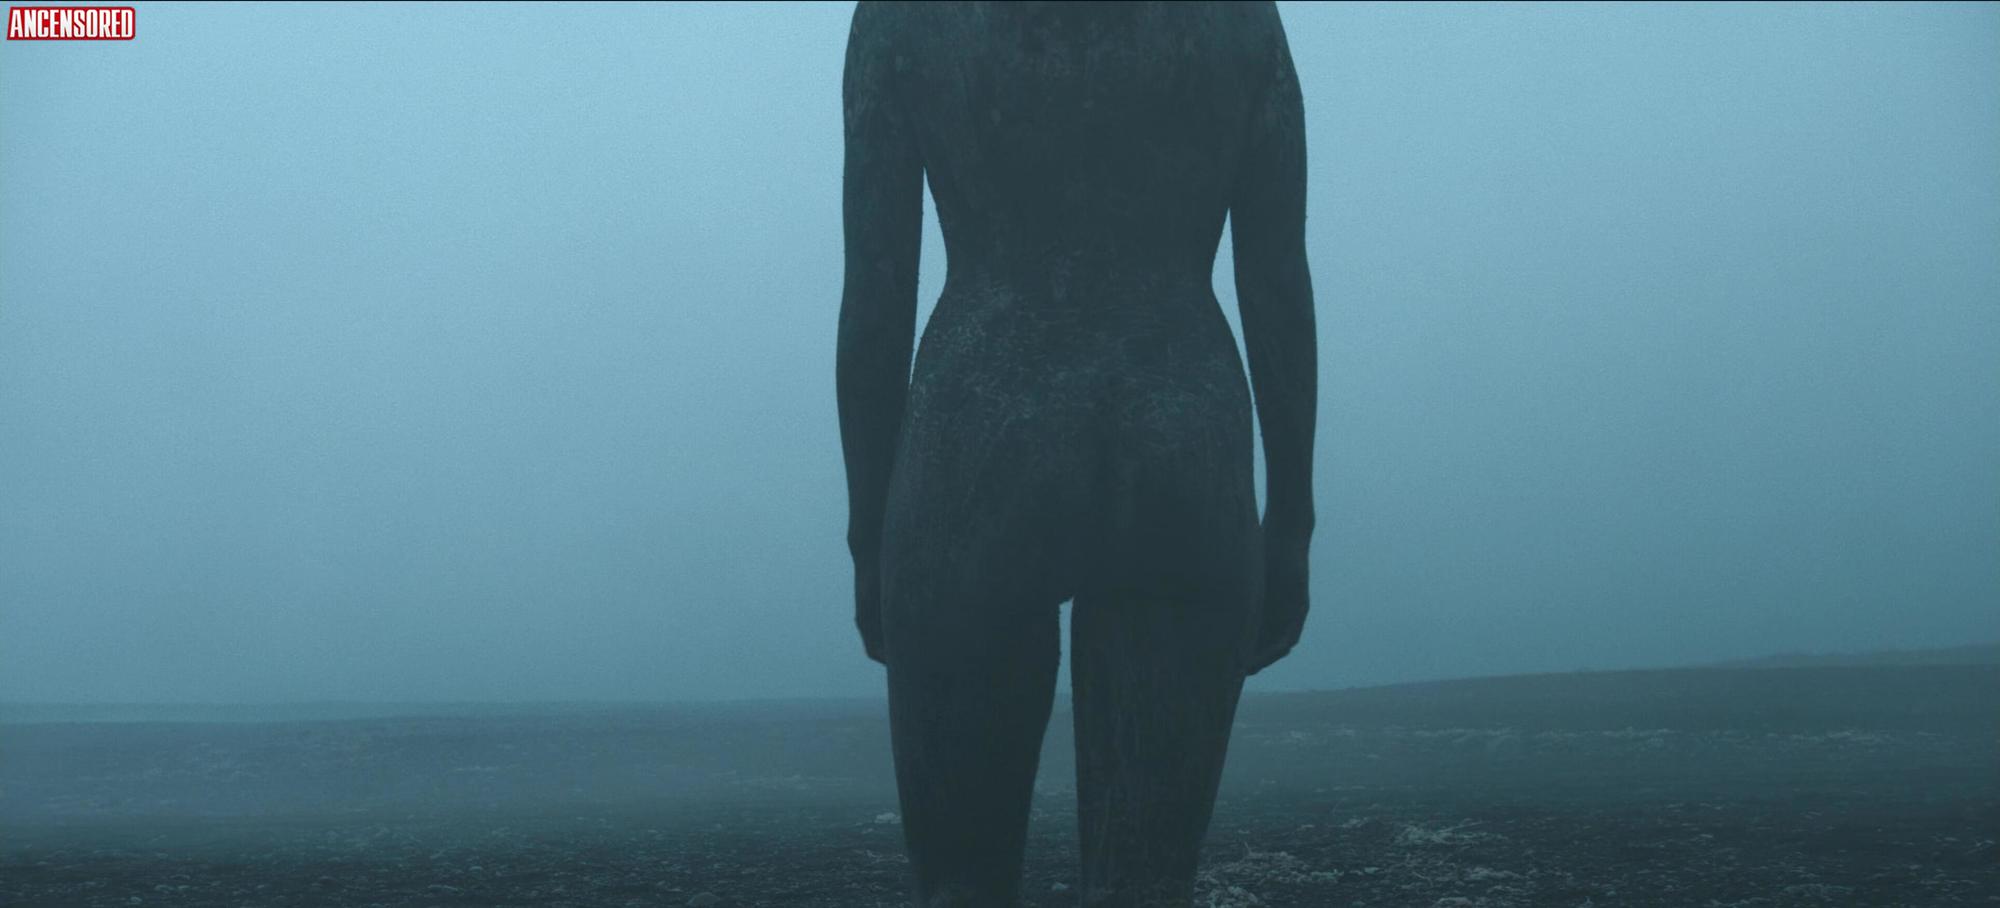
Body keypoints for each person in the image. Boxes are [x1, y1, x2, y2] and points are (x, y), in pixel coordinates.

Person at [836, 2, 1316, 905]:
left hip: (976, 437)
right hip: (1181, 433)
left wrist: (871, 533)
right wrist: (1291, 518)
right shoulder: (1238, 17)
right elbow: (1276, 279)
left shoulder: (904, 16)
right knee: (1146, 888)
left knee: (962, 887)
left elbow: (875, 292)